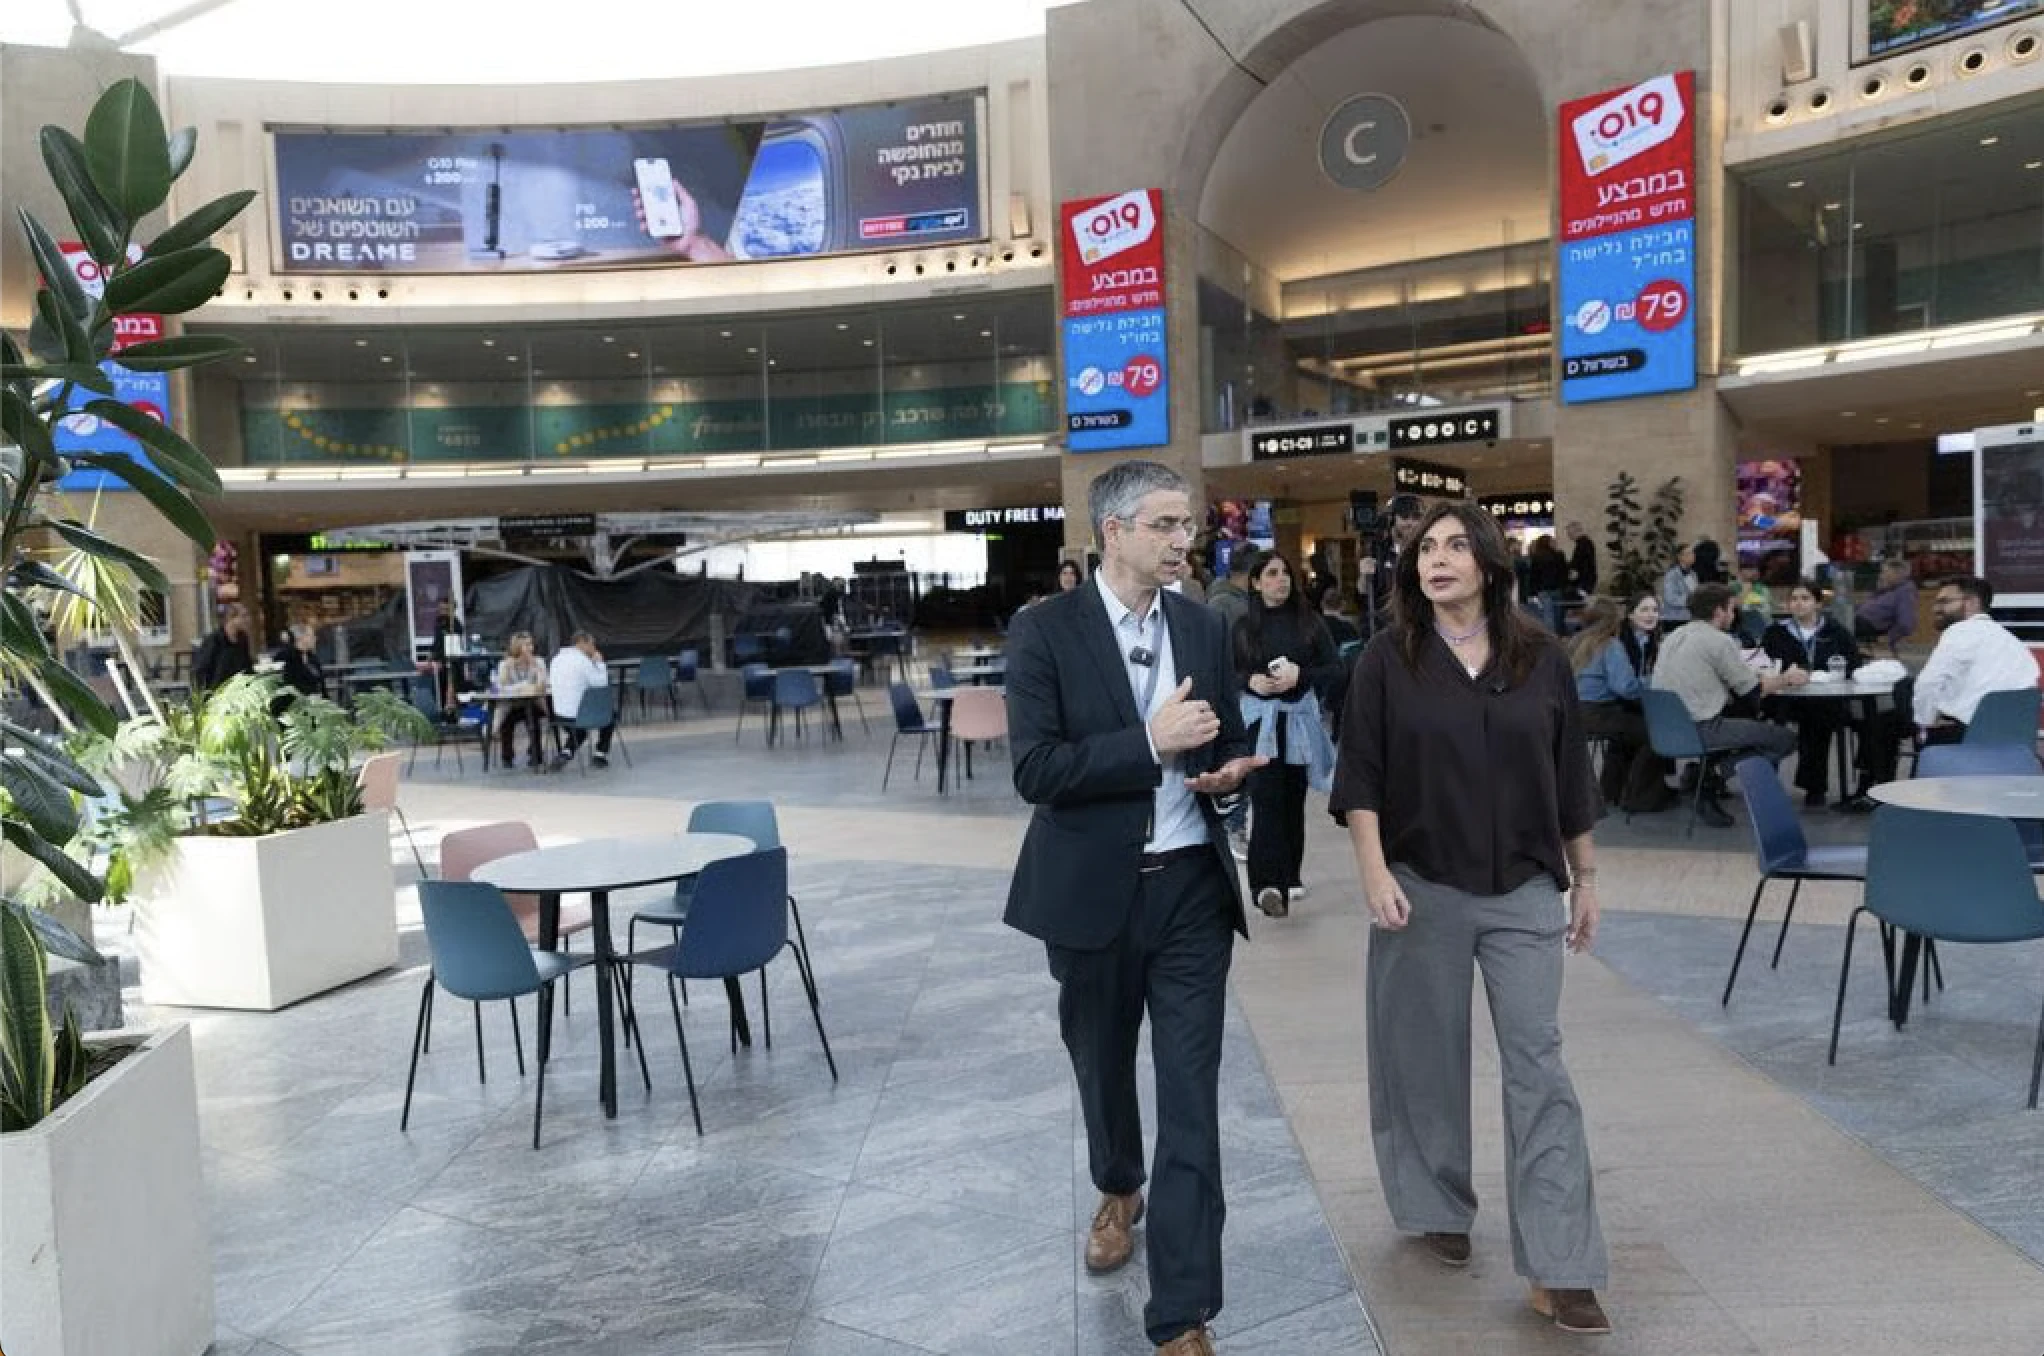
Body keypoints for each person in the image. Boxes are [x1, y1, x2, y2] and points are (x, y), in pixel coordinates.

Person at [1331, 500, 1612, 1337]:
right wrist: (1374, 872)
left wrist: (1587, 877)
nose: (1437, 559)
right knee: (1422, 1057)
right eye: (1426, 548)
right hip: (1421, 886)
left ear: (1490, 563)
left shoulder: (1542, 657)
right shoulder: (1387, 659)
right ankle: (1435, 1205)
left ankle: (1562, 1267)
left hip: (1525, 888)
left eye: (1456, 546)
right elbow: (1361, 775)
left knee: (1540, 1067)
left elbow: (1569, 775)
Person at [1003, 459, 1265, 1356]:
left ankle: (1182, 1312)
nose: (1184, 540)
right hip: (1090, 895)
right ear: (1113, 532)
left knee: (1191, 1096)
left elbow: (1224, 736)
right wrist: (1148, 743)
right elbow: (1035, 770)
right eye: (1165, 525)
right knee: (1103, 1066)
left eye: (1188, 525)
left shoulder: (1202, 625)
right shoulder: (1044, 632)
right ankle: (1119, 1186)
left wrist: (1229, 777)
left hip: (1191, 889)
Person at [1232, 549, 1340, 920]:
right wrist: (1251, 681)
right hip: (1260, 723)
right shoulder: (1244, 627)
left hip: (1298, 720)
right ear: (1256, 582)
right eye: (1272, 574)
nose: (1281, 580)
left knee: (1293, 798)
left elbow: (1334, 669)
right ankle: (1265, 885)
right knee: (1265, 799)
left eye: (1285, 573)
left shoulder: (1309, 623)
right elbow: (1227, 672)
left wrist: (1301, 677)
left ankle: (1290, 873)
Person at [1650, 583, 1803, 826]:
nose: (1734, 615)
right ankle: (1710, 777)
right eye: (1731, 609)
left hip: (1664, 728)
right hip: (1701, 727)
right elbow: (1752, 690)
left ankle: (1701, 775)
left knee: (1743, 721)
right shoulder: (1718, 640)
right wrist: (1787, 678)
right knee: (1784, 739)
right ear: (1719, 611)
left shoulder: (1672, 637)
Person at [1760, 580, 1864, 809]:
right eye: (1794, 599)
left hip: (1824, 697)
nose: (1799, 604)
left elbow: (1854, 665)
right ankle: (1766, 784)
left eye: (1805, 599)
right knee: (1773, 721)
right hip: (1784, 696)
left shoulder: (1836, 632)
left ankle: (1814, 786)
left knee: (1818, 719)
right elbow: (1764, 665)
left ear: (1818, 603)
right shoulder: (1775, 633)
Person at [1569, 596, 1673, 814]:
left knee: (1626, 732)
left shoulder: (1576, 642)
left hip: (1575, 713)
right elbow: (1626, 688)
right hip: (1599, 713)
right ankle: (1640, 797)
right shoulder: (1610, 645)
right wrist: (1654, 680)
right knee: (1657, 734)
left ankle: (1612, 789)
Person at [1912, 575, 2039, 744]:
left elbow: (1928, 683)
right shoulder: (2011, 640)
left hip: (1969, 735)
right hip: (2016, 737)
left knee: (1899, 700)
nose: (1936, 609)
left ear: (1971, 603)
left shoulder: (1960, 631)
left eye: (1944, 602)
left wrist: (1925, 723)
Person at [1358, 493, 1424, 635]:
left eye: (1416, 518)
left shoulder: (1425, 550)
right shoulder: (1377, 549)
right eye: (1405, 517)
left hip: (1418, 623)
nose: (1411, 523)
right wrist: (1364, 575)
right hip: (1383, 625)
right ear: (1392, 519)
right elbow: (1363, 592)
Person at [548, 631, 615, 767]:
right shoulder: (583, 661)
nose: (594, 648)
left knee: (580, 727)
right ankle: (600, 754)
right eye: (592, 644)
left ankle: (566, 752)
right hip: (580, 716)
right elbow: (601, 683)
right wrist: (600, 663)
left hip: (559, 715)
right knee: (610, 715)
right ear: (582, 643)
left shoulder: (556, 659)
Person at [491, 631, 550, 771]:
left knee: (533, 717)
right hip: (513, 704)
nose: (530, 648)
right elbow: (501, 687)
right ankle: (507, 757)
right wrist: (509, 671)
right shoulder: (505, 664)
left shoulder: (539, 661)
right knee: (507, 721)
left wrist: (537, 669)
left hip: (534, 703)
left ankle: (536, 754)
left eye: (531, 644)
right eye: (526, 645)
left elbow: (544, 685)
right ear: (517, 647)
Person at [1853, 558, 1918, 654]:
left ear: (1897, 574)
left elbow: (1906, 623)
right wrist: (1880, 589)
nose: (1881, 575)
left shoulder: (1905, 592)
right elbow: (1866, 606)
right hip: (1859, 621)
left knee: (1836, 623)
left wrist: (1889, 637)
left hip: (1868, 626)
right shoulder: (1889, 590)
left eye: (1885, 572)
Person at [191, 602, 254, 693]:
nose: (248, 619)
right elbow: (200, 670)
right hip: (217, 693)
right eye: (244, 616)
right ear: (231, 618)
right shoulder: (214, 640)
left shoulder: (242, 640)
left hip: (239, 692)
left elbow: (247, 667)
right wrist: (205, 694)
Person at [1527, 534, 1571, 631]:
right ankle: (1559, 633)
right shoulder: (1559, 555)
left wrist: (1532, 593)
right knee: (1559, 614)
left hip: (1542, 590)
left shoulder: (1536, 557)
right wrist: (1565, 586)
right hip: (1557, 589)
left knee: (1548, 614)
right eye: (1553, 541)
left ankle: (1550, 635)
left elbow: (1534, 576)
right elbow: (1564, 573)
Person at [270, 623, 324, 700]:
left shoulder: (312, 657)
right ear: (301, 638)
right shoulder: (285, 656)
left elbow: (321, 683)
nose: (315, 639)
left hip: (318, 702)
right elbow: (284, 683)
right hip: (296, 702)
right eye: (312, 636)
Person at [1660, 544, 1698, 628]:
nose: (1692, 556)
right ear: (1680, 557)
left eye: (1693, 553)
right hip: (1675, 618)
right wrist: (1690, 600)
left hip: (1690, 617)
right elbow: (1670, 598)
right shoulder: (1672, 575)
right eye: (1689, 553)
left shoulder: (1693, 574)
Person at [1565, 520, 1598, 596]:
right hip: (1587, 579)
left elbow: (1578, 564)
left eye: (1569, 533)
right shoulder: (1585, 542)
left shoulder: (1582, 544)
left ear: (1575, 531)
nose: (1569, 536)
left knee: (1580, 601)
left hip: (1584, 581)